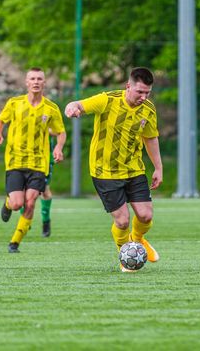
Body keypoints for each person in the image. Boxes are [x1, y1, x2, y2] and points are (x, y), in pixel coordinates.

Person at [64, 67, 163, 272]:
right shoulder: (107, 100)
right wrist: (71, 108)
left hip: (134, 169)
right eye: (140, 92)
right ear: (128, 86)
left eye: (147, 93)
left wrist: (158, 168)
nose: (144, 97)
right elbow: (79, 104)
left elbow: (150, 137)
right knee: (123, 220)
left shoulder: (148, 109)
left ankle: (137, 240)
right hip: (105, 171)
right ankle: (125, 255)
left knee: (146, 216)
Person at [0, 67, 66, 253]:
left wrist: (58, 147)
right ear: (26, 82)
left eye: (39, 79)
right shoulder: (15, 103)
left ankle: (14, 243)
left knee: (31, 202)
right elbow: (0, 120)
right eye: (32, 78)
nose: (36, 82)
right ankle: (8, 203)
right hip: (15, 161)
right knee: (17, 203)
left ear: (44, 83)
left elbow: (61, 132)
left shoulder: (51, 108)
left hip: (39, 163)